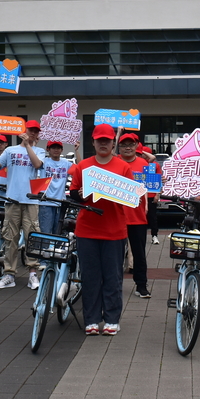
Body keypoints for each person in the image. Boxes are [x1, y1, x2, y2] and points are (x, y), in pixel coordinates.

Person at [68, 123, 134, 335]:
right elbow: (73, 193)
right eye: (100, 140)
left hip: (114, 230)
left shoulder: (123, 167)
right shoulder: (83, 166)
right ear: (93, 142)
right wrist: (83, 193)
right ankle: (92, 320)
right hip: (87, 230)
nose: (103, 143)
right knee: (90, 276)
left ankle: (112, 319)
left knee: (113, 276)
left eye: (107, 140)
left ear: (113, 142)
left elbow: (131, 197)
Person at [0, 120, 45, 290]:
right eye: (30, 130)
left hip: (31, 200)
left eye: (35, 131)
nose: (32, 133)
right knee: (10, 236)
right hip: (12, 199)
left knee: (32, 237)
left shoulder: (39, 151)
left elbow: (37, 165)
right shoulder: (10, 150)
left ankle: (32, 273)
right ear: (24, 130)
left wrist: (29, 145)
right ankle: (9, 274)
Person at [118, 132, 152, 299]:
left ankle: (141, 285)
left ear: (137, 145)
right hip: (116, 216)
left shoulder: (144, 163)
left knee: (139, 254)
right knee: (115, 255)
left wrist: (160, 181)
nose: (128, 147)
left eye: (131, 144)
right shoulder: (114, 162)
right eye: (124, 145)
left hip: (137, 216)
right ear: (119, 147)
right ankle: (114, 285)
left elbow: (148, 185)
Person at [38, 141, 72, 234]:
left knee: (58, 232)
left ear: (62, 150)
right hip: (46, 203)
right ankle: (45, 249)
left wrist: (77, 150)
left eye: (58, 148)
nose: (56, 150)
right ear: (48, 149)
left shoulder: (66, 163)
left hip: (60, 203)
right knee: (45, 233)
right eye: (53, 148)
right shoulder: (44, 162)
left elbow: (80, 169)